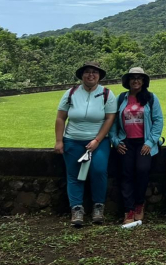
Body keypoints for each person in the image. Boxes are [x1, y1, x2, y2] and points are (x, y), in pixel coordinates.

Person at [54, 61, 117, 227]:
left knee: (99, 170)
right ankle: (76, 208)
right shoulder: (71, 93)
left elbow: (110, 118)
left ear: (99, 76)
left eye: (94, 72)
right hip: (73, 139)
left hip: (99, 140)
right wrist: (59, 141)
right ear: (82, 75)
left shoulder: (107, 94)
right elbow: (61, 117)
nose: (91, 75)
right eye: (87, 72)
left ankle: (98, 206)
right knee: (74, 175)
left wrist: (97, 140)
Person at [110, 66, 164, 225]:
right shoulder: (121, 99)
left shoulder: (151, 98)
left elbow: (158, 121)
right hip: (125, 142)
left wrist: (150, 142)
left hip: (144, 142)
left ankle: (139, 203)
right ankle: (129, 209)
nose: (135, 80)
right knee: (126, 174)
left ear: (143, 81)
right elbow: (112, 123)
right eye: (132, 78)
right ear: (128, 81)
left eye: (138, 78)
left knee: (142, 170)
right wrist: (115, 141)